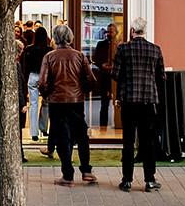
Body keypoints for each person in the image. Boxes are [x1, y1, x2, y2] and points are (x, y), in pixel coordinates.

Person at [37, 24, 97, 186]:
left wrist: (48, 94)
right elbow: (91, 80)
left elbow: (42, 83)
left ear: (55, 38)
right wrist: (82, 92)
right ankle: (86, 170)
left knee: (62, 137)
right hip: (76, 101)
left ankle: (68, 176)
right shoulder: (80, 56)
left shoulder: (49, 57)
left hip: (57, 102)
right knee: (82, 135)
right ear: (70, 38)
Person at [112, 17, 165, 192]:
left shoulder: (123, 48)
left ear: (132, 31)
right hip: (148, 102)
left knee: (127, 141)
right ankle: (149, 180)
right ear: (144, 32)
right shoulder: (155, 50)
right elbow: (161, 77)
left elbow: (116, 74)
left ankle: (127, 180)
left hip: (128, 101)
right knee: (148, 142)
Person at [22, 26, 52, 142]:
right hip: (45, 78)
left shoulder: (29, 49)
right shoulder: (49, 50)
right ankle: (43, 128)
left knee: (33, 105)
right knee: (46, 103)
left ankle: (34, 133)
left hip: (32, 76)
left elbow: (26, 68)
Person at [92, 23, 120, 128]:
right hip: (104, 78)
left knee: (117, 104)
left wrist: (114, 66)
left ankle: (118, 126)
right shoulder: (101, 44)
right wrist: (102, 65)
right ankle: (102, 128)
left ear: (116, 33)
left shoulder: (119, 45)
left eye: (111, 32)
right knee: (104, 105)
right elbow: (95, 59)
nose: (108, 34)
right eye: (107, 32)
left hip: (116, 78)